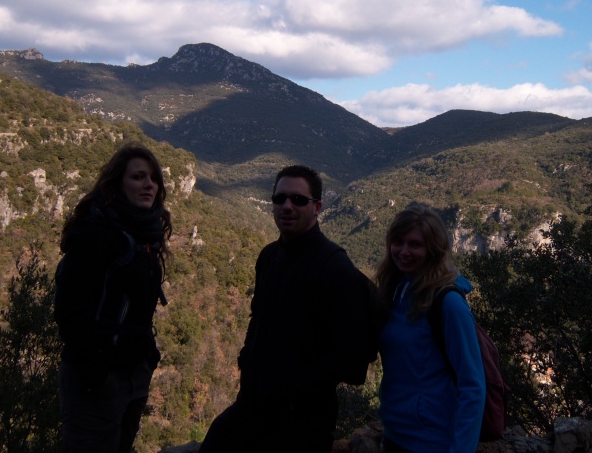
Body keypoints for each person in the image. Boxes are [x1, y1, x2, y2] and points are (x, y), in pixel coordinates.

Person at [199, 164, 374, 453]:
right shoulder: (268, 256)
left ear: (317, 207)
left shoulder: (335, 268)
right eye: (279, 199)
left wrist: (290, 386)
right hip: (252, 407)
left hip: (302, 423)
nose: (287, 206)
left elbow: (352, 361)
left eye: (298, 200)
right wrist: (248, 359)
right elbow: (258, 318)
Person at [54, 142, 171, 453]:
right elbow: (70, 312)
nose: (149, 184)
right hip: (96, 382)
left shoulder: (145, 234)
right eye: (138, 177)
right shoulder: (96, 235)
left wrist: (148, 357)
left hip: (133, 374)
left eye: (153, 178)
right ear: (117, 182)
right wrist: (96, 373)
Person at [374, 205, 485, 452]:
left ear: (433, 250)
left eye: (415, 244)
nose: (404, 251)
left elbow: (473, 385)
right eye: (398, 242)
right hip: (395, 435)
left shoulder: (449, 304)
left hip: (433, 442)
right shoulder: (395, 290)